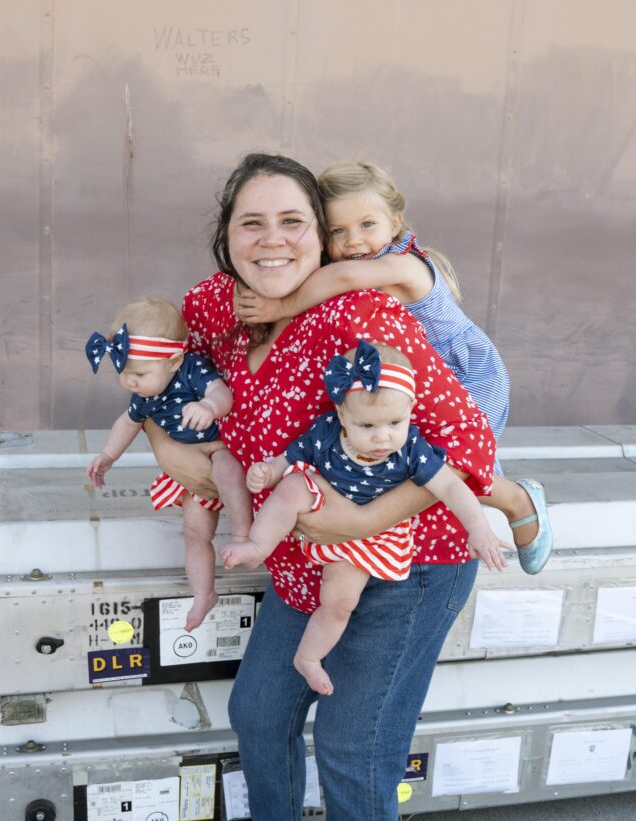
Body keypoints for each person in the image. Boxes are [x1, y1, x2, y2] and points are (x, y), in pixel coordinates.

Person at [145, 152, 496, 821]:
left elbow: (469, 451)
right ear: (225, 239)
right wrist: (164, 439)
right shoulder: (219, 308)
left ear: (324, 238)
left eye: (292, 221)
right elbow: (152, 352)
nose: (272, 240)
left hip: (402, 568)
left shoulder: (359, 321)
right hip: (306, 569)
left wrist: (358, 519)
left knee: (352, 747)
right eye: (250, 223)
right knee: (260, 710)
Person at [234, 159, 552, 576]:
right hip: (412, 376)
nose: (354, 241)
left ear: (396, 220)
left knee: (463, 458)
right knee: (405, 450)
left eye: (367, 224)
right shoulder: (357, 264)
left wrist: (280, 304)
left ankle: (520, 501)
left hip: (470, 370)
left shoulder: (405, 265)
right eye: (338, 231)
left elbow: (347, 277)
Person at [220, 339, 510, 696]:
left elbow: (451, 488)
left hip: (373, 537)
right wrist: (269, 472)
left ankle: (309, 657)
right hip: (323, 506)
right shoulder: (327, 432)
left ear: (411, 409)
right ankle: (255, 544)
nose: (382, 437)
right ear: (342, 415)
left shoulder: (411, 449)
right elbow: (292, 455)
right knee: (294, 485)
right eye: (367, 426)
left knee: (340, 603)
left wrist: (479, 530)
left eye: (394, 422)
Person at [84, 297, 252, 630]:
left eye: (139, 373)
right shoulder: (145, 393)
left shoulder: (192, 369)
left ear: (174, 361)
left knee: (227, 469)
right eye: (125, 373)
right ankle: (203, 593)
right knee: (194, 534)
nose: (130, 382)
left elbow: (222, 394)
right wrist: (107, 455)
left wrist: (208, 407)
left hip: (217, 448)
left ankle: (244, 535)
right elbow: (128, 422)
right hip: (189, 472)